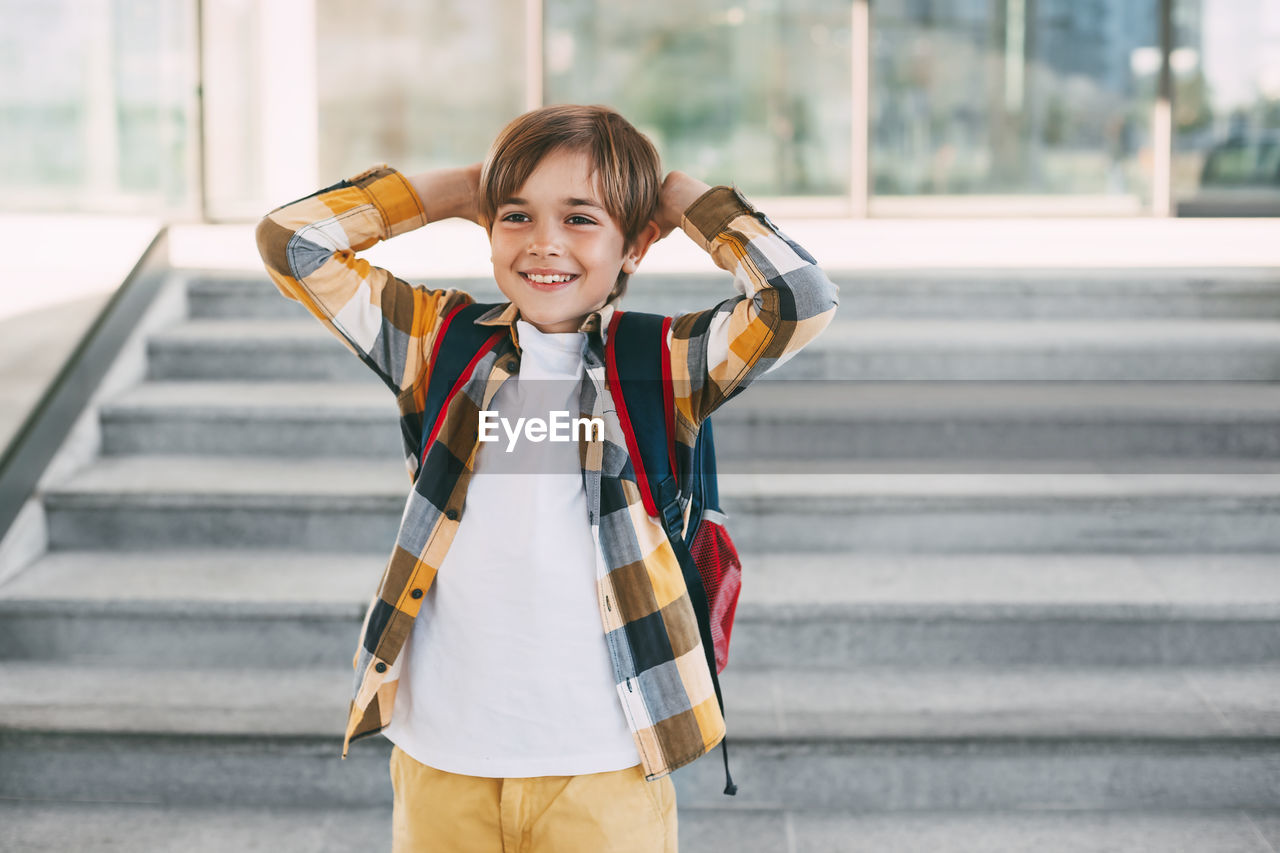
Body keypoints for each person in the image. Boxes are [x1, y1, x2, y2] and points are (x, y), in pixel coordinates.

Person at [255, 103, 838, 852]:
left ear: (637, 243)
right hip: (444, 758)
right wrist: (458, 190)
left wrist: (682, 199)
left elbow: (800, 298)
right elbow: (292, 243)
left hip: (605, 767)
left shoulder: (665, 361)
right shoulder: (437, 342)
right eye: (517, 216)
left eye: (581, 218)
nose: (544, 244)